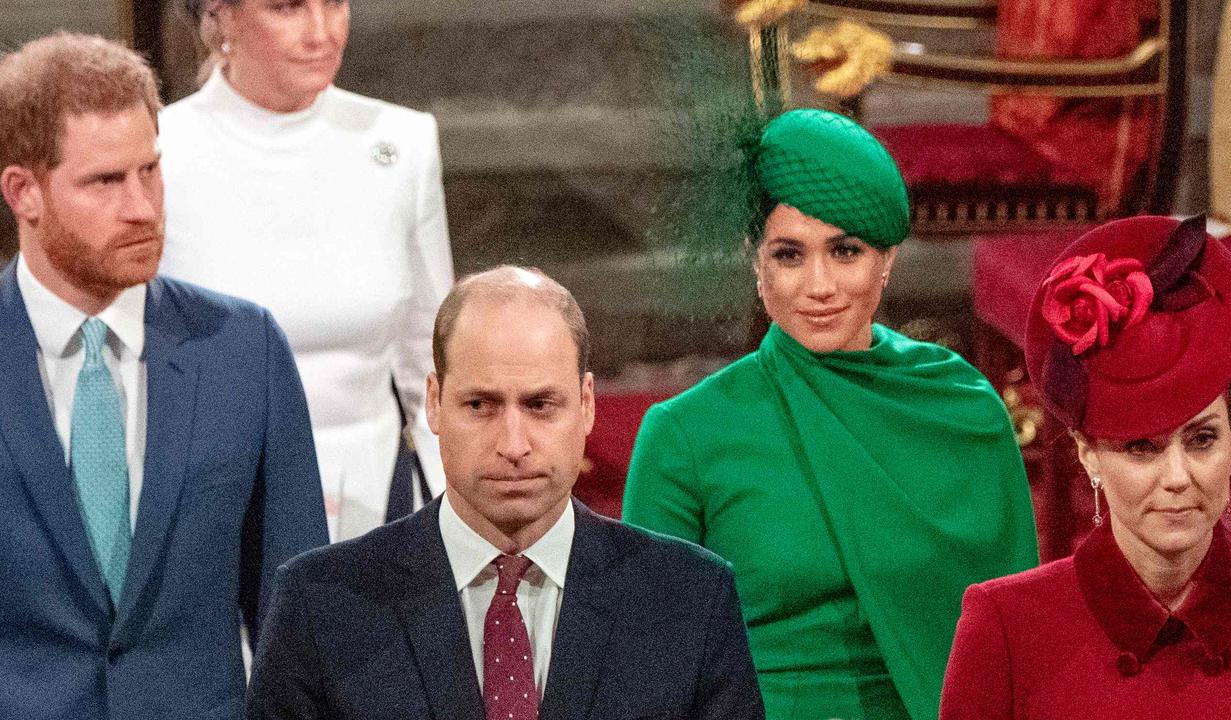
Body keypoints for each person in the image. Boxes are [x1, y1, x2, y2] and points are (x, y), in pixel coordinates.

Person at [622, 108, 1040, 720]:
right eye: (789, 255)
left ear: (886, 259)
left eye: (845, 252)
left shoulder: (958, 406)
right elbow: (651, 673)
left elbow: (1015, 638)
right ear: (754, 260)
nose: (819, 286)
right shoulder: (684, 436)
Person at [246, 266, 765, 719]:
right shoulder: (320, 606)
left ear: (586, 404)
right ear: (434, 402)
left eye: (541, 404)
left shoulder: (691, 600)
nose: (513, 446)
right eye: (480, 405)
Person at [0, 33, 328, 719]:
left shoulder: (245, 351)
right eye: (105, 182)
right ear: (23, 191)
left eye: (149, 171)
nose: (143, 207)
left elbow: (295, 623)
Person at [940, 215, 1231, 719]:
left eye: (1203, 439)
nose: (1178, 476)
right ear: (1087, 452)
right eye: (1142, 447)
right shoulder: (1006, 627)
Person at [161, 0, 455, 541]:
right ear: (220, 17)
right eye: (287, 7)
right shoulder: (158, 153)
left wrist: (453, 518)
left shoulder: (402, 142)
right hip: (208, 510)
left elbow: (435, 360)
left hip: (376, 500)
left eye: (336, 3)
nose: (322, 32)